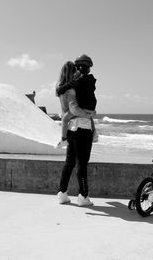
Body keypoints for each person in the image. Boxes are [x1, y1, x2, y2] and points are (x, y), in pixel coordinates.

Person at [55, 55, 97, 206]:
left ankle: (62, 193)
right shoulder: (72, 88)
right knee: (82, 164)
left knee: (70, 162)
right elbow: (74, 107)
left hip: (71, 129)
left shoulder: (61, 88)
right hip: (81, 127)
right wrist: (88, 114)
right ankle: (83, 197)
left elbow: (67, 112)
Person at [55, 56, 98, 148]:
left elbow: (73, 107)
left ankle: (63, 139)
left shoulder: (63, 87)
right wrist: (87, 115)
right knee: (90, 118)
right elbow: (74, 107)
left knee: (65, 119)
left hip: (73, 118)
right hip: (82, 112)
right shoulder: (73, 85)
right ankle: (94, 134)